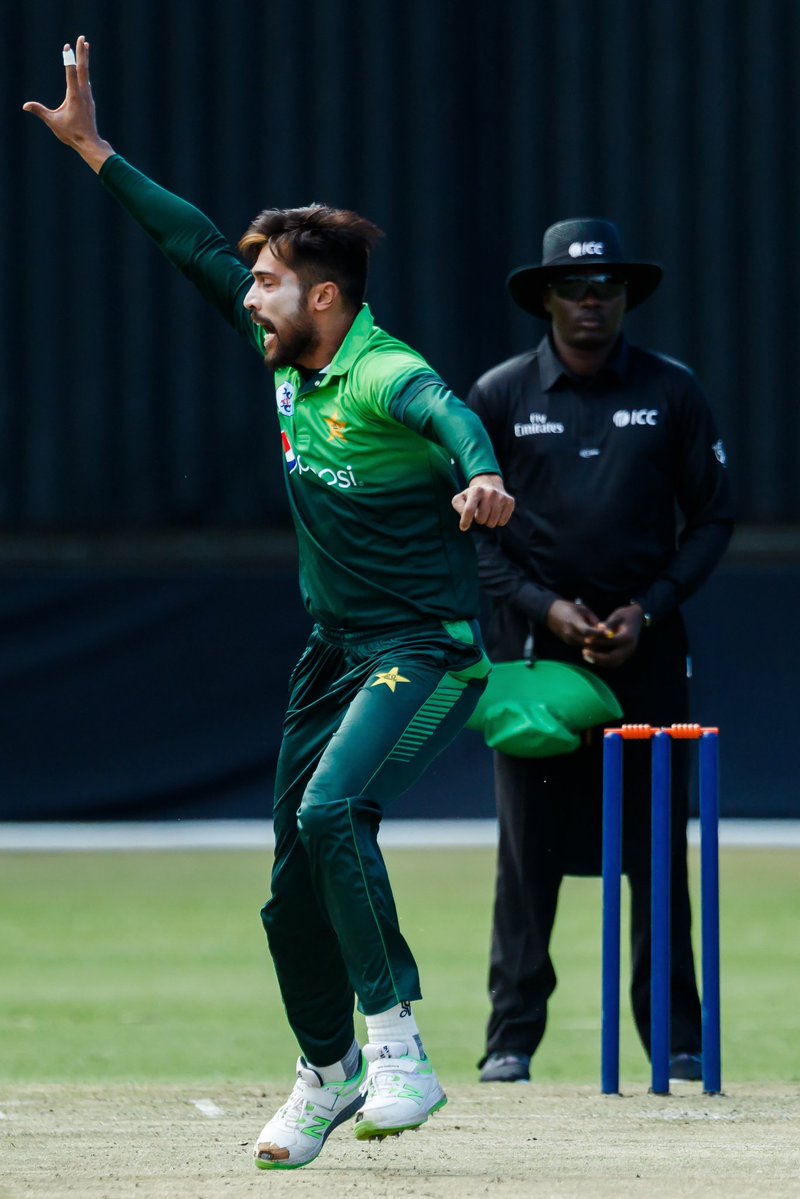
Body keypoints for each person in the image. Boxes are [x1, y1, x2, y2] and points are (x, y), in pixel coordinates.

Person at [24, 37, 514, 1167]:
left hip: (426, 651)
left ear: (323, 297)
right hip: (334, 651)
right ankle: (327, 1072)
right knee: (288, 894)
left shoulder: (380, 370)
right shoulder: (286, 354)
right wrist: (94, 149)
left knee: (333, 813)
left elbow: (448, 414)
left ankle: (398, 1048)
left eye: (268, 284)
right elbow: (192, 243)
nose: (249, 298)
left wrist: (482, 474)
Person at [465, 217, 733, 1084]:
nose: (592, 301)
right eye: (575, 288)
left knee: (657, 851)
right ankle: (511, 1038)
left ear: (625, 297)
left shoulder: (671, 390)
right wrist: (548, 609)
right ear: (546, 298)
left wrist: (646, 610)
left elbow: (714, 517)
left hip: (643, 653)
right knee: (527, 852)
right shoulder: (501, 395)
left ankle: (677, 1040)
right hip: (535, 662)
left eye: (607, 287)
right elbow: (471, 535)